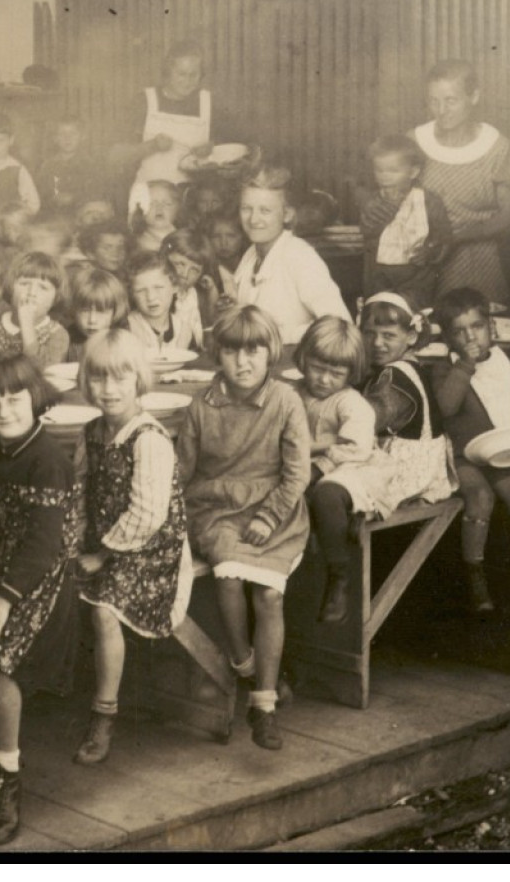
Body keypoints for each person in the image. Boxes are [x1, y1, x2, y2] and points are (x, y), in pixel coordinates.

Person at [0, 353, 83, 844]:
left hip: (38, 576)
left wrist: (4, 599)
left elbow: (44, 544)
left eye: (14, 398)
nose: (4, 409)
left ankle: (6, 774)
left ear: (35, 398)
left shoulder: (47, 459)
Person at [178, 306, 311, 752]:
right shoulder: (203, 405)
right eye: (232, 350)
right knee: (230, 576)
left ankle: (264, 705)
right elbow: (184, 472)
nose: (243, 361)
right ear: (219, 355)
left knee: (269, 594)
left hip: (274, 508)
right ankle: (243, 663)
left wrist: (269, 515)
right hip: (216, 510)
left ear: (270, 353)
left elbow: (296, 474)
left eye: (253, 350)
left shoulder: (286, 400)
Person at [73, 329, 192, 765]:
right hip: (105, 537)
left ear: (138, 380)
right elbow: (81, 494)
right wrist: (76, 542)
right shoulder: (91, 433)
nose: (109, 390)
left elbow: (147, 515)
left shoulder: (148, 438)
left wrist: (100, 554)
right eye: (99, 379)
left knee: (104, 609)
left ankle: (104, 714)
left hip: (152, 549)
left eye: (120, 379)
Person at [310, 292, 458, 624]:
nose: (377, 343)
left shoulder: (395, 378)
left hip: (404, 468)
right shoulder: (394, 367)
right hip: (388, 455)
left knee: (325, 489)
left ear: (411, 336)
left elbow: (370, 417)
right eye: (370, 333)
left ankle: (338, 576)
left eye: (388, 336)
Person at [431, 287, 510, 621]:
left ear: (492, 327)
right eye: (459, 331)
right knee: (480, 497)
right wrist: (466, 366)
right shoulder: (446, 369)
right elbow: (447, 406)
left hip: (502, 453)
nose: (470, 336)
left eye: (477, 326)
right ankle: (477, 583)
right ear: (448, 338)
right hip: (463, 457)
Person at [412, 60, 510, 301]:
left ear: (473, 97)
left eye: (451, 100)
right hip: (422, 259)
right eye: (434, 101)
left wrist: (459, 236)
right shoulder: (415, 141)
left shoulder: (496, 147)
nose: (441, 110)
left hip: (479, 258)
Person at [292, 317, 377, 625]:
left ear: (350, 373)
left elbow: (356, 447)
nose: (325, 380)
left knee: (327, 496)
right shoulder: (294, 393)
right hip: (303, 466)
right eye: (318, 368)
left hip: (349, 466)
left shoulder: (350, 403)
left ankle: (339, 576)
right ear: (303, 360)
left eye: (336, 373)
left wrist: (319, 468)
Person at [233, 165, 353, 344]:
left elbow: (339, 324)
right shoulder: (250, 254)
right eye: (246, 208)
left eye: (265, 210)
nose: (253, 219)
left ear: (287, 214)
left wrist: (277, 336)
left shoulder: (300, 257)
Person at [116, 41, 237, 218]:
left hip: (193, 203)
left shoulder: (210, 103)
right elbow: (115, 156)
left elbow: (232, 152)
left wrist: (211, 150)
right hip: (149, 198)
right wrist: (151, 146)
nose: (187, 81)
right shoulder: (143, 101)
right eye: (181, 74)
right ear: (167, 72)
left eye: (193, 75)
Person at [359, 133, 454, 306]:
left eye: (393, 170)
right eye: (379, 170)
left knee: (415, 316)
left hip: (417, 276)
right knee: (379, 311)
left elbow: (444, 237)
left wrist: (430, 251)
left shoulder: (429, 201)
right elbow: (367, 234)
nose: (384, 176)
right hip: (380, 275)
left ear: (413, 172)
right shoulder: (372, 202)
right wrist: (383, 213)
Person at [0, 250, 72, 368]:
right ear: (11, 288)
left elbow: (40, 371)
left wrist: (27, 325)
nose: (32, 293)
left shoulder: (57, 334)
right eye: (25, 283)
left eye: (43, 287)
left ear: (56, 298)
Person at [125, 252, 202, 359]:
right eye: (141, 291)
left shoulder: (184, 330)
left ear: (175, 287)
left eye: (159, 288)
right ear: (132, 294)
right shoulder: (127, 327)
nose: (151, 297)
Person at [162, 227, 234, 330]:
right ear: (165, 257)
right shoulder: (158, 293)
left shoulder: (192, 294)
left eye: (194, 270)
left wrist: (211, 290)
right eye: (179, 264)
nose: (185, 274)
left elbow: (211, 322)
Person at [35, 116, 107, 216]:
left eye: (73, 133)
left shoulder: (91, 165)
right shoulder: (47, 166)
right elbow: (39, 193)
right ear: (55, 138)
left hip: (82, 215)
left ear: (82, 137)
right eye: (62, 134)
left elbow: (97, 193)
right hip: (54, 215)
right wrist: (52, 198)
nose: (67, 138)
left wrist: (74, 198)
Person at [65, 266, 130, 363]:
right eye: (85, 311)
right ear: (74, 310)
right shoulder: (67, 338)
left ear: (115, 311)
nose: (92, 320)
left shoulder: (122, 340)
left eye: (101, 312)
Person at [132, 179, 182, 256]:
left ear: (177, 209)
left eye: (167, 204)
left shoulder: (182, 235)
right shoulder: (142, 243)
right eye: (151, 204)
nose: (159, 208)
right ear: (142, 210)